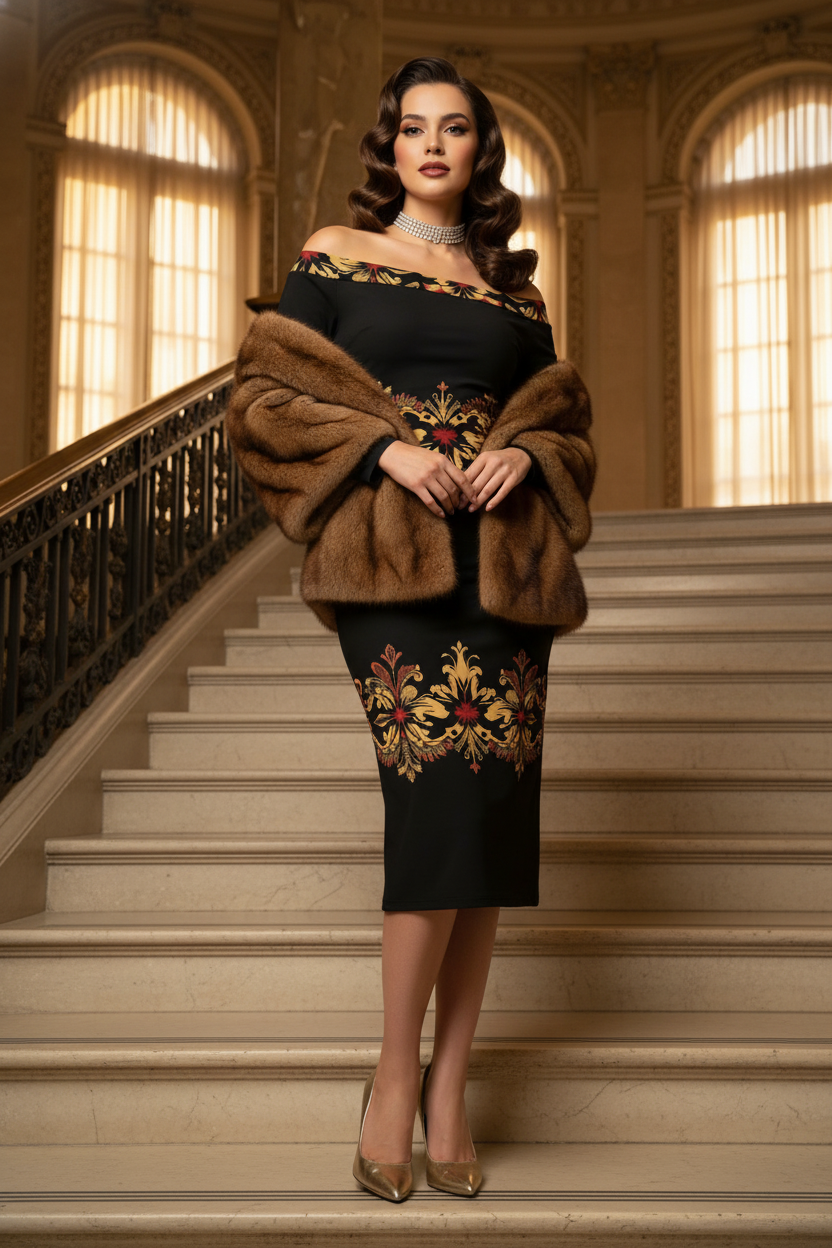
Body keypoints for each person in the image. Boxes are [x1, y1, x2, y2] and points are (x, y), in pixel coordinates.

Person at [226, 55, 595, 1203]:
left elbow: (567, 423)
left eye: (456, 130)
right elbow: (259, 397)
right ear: (389, 148)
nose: (433, 146)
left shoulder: (510, 290)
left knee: (485, 821)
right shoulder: (335, 256)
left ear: (480, 151)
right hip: (390, 558)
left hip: (505, 570)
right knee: (433, 797)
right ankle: (395, 1078)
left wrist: (518, 455)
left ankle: (451, 1090)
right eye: (413, 130)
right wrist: (383, 450)